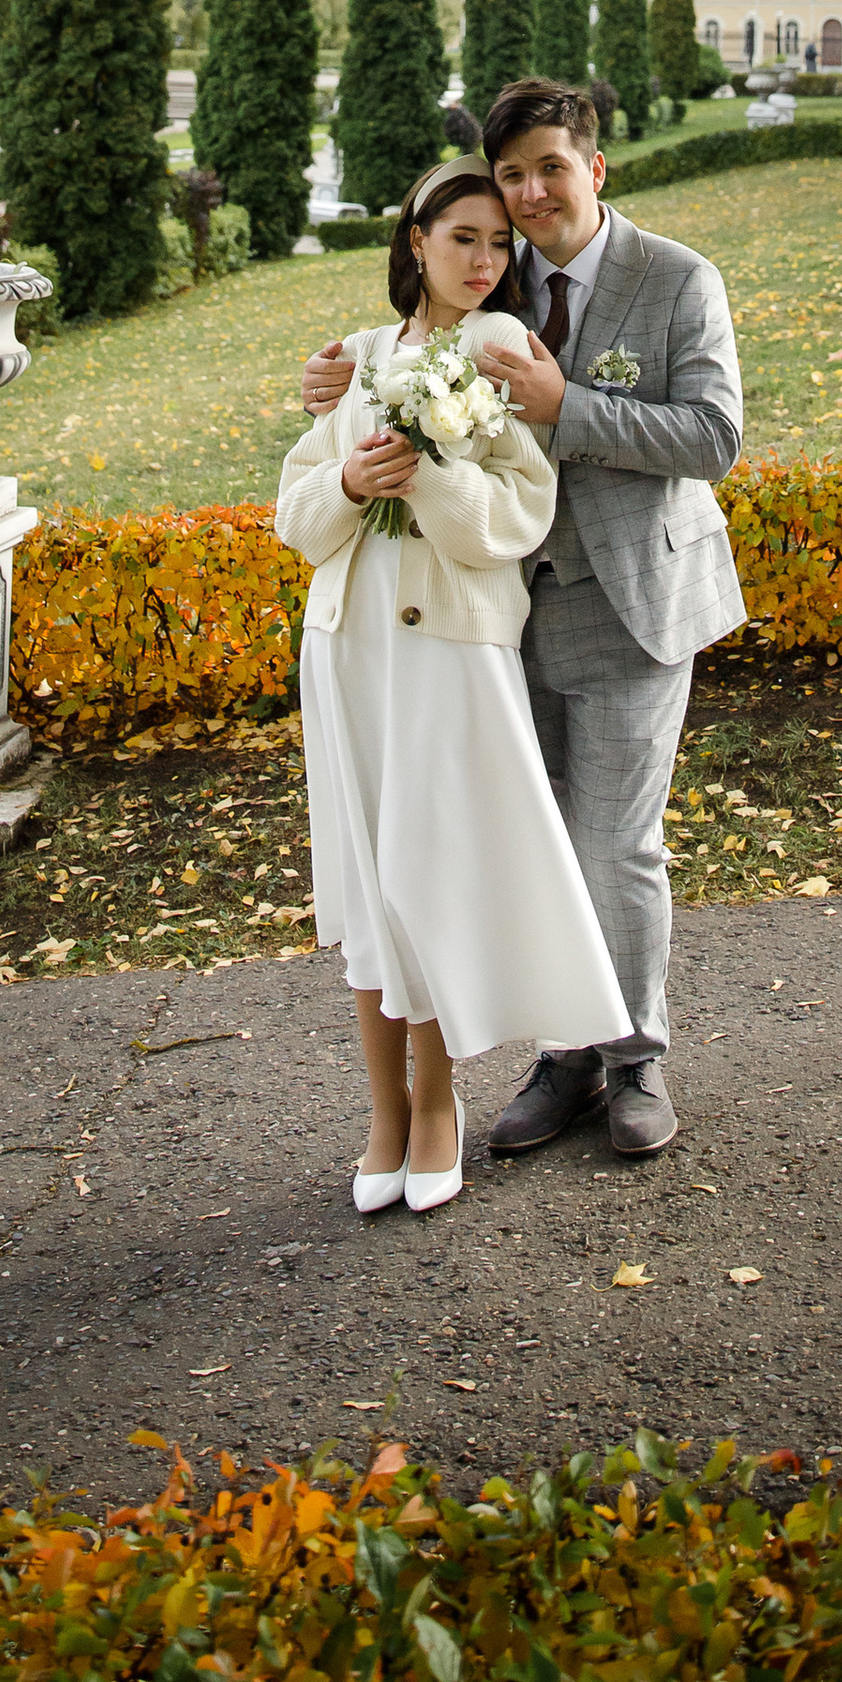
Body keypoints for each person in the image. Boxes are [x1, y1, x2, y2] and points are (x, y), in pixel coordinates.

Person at [299, 74, 745, 1162]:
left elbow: (713, 439)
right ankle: (566, 1055)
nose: (532, 194)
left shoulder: (675, 279)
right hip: (501, 616)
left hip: (631, 601)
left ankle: (635, 1055)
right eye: (513, 176)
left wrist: (568, 408)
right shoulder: (494, 278)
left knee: (615, 843)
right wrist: (341, 370)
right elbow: (407, 348)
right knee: (535, 844)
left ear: (595, 167)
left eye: (552, 168)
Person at [275, 159, 627, 1221]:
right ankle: (384, 1114)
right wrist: (346, 481)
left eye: (496, 243)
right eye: (461, 238)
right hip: (346, 649)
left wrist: (424, 469)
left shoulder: (504, 351)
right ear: (414, 241)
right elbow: (294, 513)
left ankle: (438, 1108)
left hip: (447, 653)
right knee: (369, 882)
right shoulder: (360, 356)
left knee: (427, 877)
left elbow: (515, 520)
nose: (484, 260)